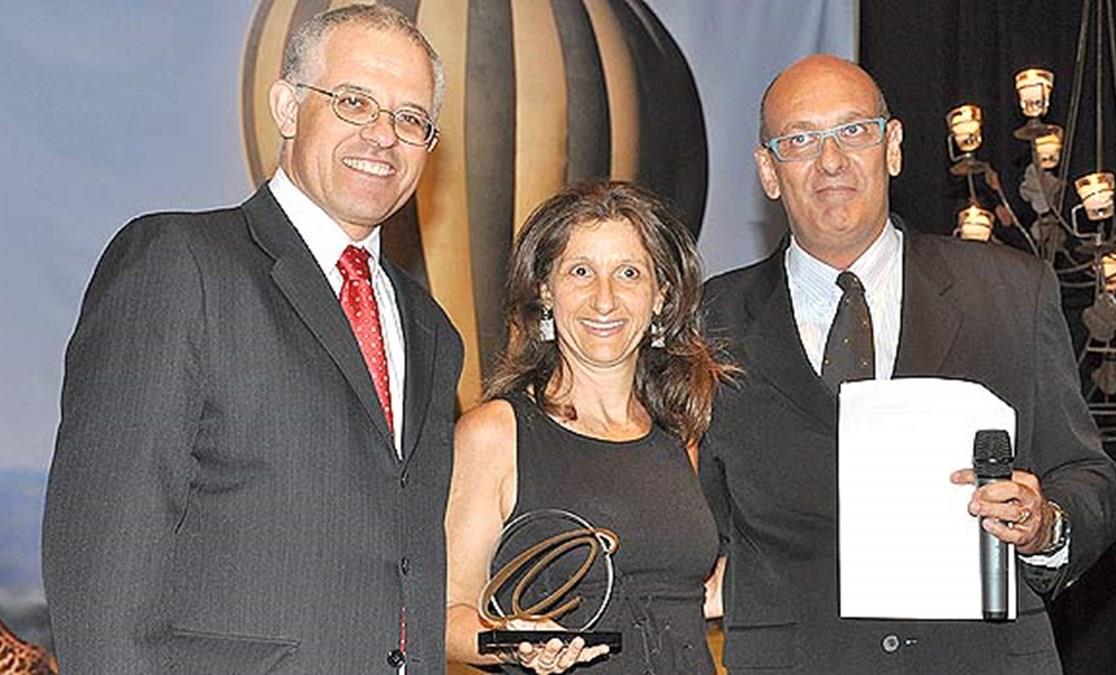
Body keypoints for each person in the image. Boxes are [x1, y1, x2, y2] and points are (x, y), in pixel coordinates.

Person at [42, 5, 461, 673]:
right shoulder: (180, 262)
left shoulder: (432, 329)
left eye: (410, 118)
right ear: (288, 108)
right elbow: (101, 552)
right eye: (354, 102)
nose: (384, 134)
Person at [699, 54, 1116, 673]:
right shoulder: (708, 321)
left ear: (892, 146)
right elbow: (683, 516)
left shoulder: (1011, 292)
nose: (831, 160)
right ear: (768, 170)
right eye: (800, 140)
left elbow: (1089, 477)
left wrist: (1044, 525)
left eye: (854, 130)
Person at [445, 182, 735, 674]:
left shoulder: (677, 432)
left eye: (629, 273)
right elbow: (447, 614)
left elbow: (679, 594)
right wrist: (513, 643)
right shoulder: (496, 433)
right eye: (581, 271)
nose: (605, 299)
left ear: (660, 296)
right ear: (545, 290)